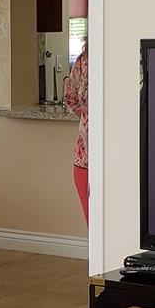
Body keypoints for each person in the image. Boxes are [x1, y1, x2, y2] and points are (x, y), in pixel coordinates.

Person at [63, 42, 89, 222]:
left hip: (119, 158)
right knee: (95, 228)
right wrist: (89, 119)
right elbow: (70, 98)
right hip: (84, 159)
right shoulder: (82, 61)